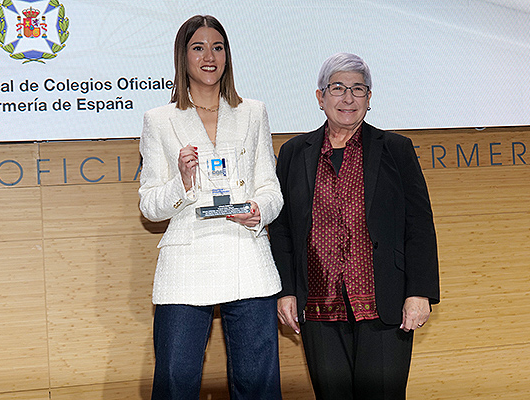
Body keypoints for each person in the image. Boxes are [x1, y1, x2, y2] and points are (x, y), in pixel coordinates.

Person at [270, 53, 440, 399]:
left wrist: (419, 292)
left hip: (385, 305)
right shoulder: (292, 153)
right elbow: (283, 229)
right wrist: (286, 290)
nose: (348, 98)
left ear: (369, 98)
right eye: (338, 88)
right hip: (318, 307)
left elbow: (419, 225)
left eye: (358, 89)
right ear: (320, 97)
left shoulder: (396, 149)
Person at [138, 15, 284, 400]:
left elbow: (271, 188)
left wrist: (257, 209)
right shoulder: (159, 120)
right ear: (182, 57)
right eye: (198, 47)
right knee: (174, 383)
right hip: (187, 262)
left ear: (228, 56)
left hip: (246, 256)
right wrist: (181, 182)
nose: (209, 56)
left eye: (217, 47)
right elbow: (149, 204)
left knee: (259, 386)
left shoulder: (253, 112)